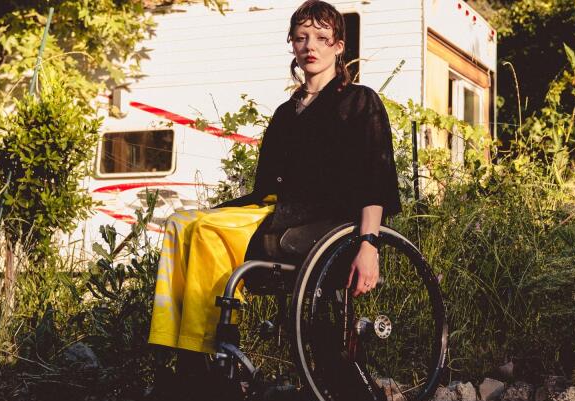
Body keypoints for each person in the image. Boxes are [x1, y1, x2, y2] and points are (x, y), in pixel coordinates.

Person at [148, 0, 400, 361]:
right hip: (278, 209)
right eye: (301, 38)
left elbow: (374, 179)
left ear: (339, 46)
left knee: (206, 229)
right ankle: (167, 347)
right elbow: (267, 187)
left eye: (321, 37)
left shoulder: (360, 102)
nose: (310, 46)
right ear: (292, 46)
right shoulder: (286, 112)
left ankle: (203, 353)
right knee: (179, 224)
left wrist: (369, 244)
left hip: (327, 220)